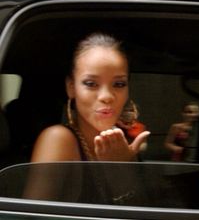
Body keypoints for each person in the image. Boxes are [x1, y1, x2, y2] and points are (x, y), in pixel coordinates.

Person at [23, 32, 150, 200]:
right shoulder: (58, 139)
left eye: (119, 84)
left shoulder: (122, 143)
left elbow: (144, 218)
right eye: (91, 84)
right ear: (71, 87)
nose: (107, 96)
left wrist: (123, 167)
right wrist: (117, 172)